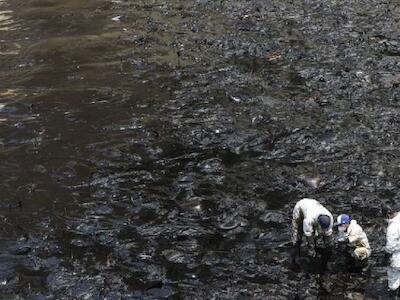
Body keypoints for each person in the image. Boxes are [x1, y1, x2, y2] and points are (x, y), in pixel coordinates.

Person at [383, 203, 400, 297]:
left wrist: (386, 256)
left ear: (388, 214)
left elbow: (391, 245)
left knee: (393, 276)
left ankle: (393, 295)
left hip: (397, 255)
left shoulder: (393, 226)